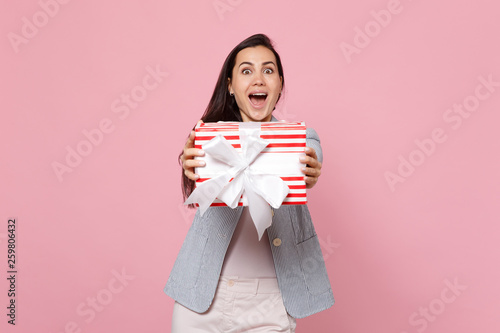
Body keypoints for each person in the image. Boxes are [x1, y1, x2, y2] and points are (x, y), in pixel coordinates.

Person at [164, 33, 334, 332]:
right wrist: (190, 161)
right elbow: (194, 162)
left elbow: (309, 159)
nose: (258, 79)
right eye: (246, 71)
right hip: (202, 298)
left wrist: (311, 170)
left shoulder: (301, 139)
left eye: (268, 70)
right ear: (230, 86)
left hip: (270, 301)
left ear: (280, 84)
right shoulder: (209, 139)